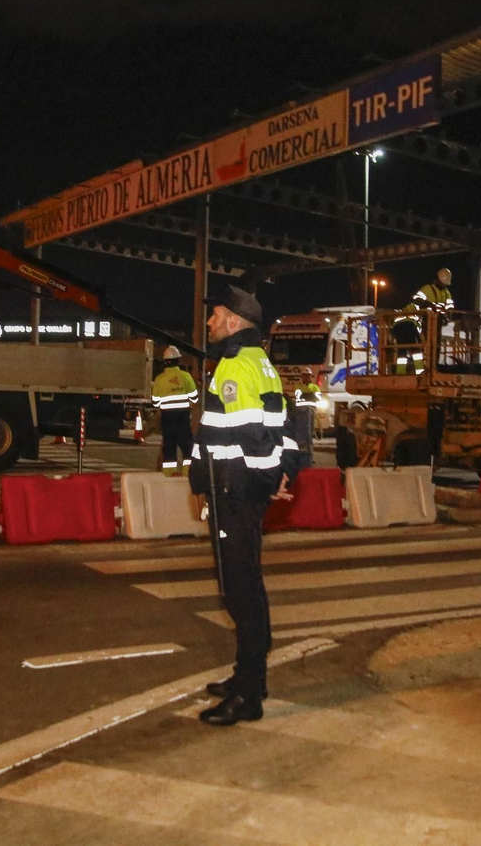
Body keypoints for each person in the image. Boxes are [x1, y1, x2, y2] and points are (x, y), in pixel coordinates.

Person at [189, 284, 299, 727]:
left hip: (235, 493)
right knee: (245, 588)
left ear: (234, 321)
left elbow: (253, 438)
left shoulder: (236, 365)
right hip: (241, 492)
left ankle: (248, 696)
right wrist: (280, 474)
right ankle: (246, 676)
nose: (210, 322)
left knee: (240, 593)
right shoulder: (261, 363)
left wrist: (263, 481)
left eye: (215, 315)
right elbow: (282, 425)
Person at [150, 345, 198, 475]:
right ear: (178, 360)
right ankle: (188, 473)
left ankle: (169, 474)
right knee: (187, 446)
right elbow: (194, 398)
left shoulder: (159, 379)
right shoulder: (186, 376)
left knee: (169, 447)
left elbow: (155, 401)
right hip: (182, 417)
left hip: (167, 418)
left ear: (165, 361)